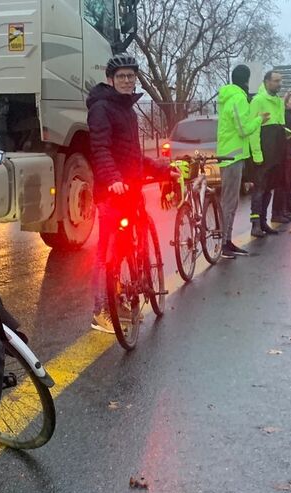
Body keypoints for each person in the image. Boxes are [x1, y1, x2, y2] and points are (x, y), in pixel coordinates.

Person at [86, 53, 174, 332]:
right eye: (122, 76)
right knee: (107, 251)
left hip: (131, 190)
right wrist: (112, 178)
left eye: (131, 77)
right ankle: (100, 311)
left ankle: (124, 295)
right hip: (112, 192)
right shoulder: (101, 108)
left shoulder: (128, 110)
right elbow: (99, 148)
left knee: (129, 245)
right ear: (110, 80)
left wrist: (160, 169)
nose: (127, 81)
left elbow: (132, 155)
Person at [215, 64, 267, 258]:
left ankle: (226, 241)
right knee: (229, 202)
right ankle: (224, 243)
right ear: (246, 80)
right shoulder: (238, 99)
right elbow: (243, 129)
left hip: (231, 154)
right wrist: (259, 119)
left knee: (230, 201)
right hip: (232, 156)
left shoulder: (230, 97)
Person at [248, 70, 285, 236]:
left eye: (280, 81)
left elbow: (280, 128)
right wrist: (257, 153)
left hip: (276, 153)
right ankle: (255, 224)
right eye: (276, 81)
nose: (279, 84)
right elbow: (253, 129)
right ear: (267, 82)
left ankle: (263, 222)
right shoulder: (258, 101)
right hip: (263, 152)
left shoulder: (279, 101)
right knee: (259, 189)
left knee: (269, 188)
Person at [272, 91, 291, 222]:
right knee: (282, 183)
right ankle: (278, 212)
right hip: (284, 154)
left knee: (288, 182)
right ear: (286, 102)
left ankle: (285, 208)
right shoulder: (285, 115)